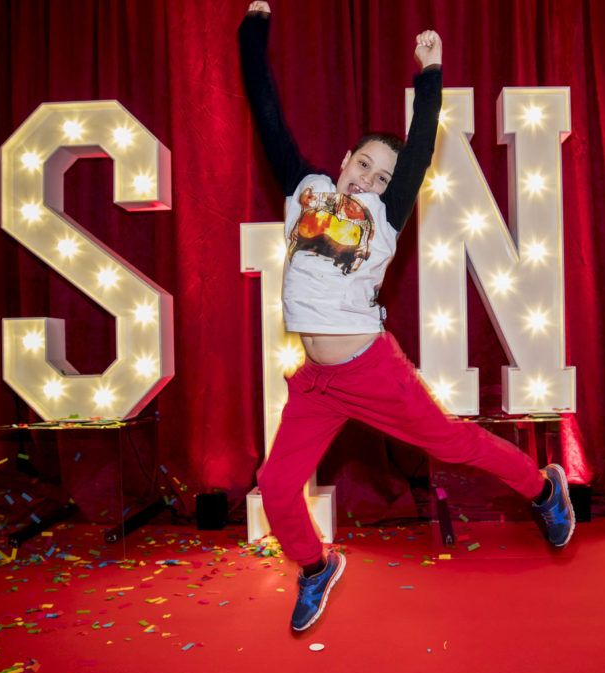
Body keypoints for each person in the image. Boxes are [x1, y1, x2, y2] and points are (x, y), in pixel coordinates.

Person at [238, 1, 575, 632]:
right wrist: (255, 26)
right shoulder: (305, 191)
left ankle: (542, 488)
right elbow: (267, 113)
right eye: (363, 164)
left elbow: (420, 145)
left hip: (370, 368)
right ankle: (316, 567)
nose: (368, 179)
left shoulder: (385, 218)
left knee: (452, 441)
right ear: (343, 161)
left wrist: (430, 71)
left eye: (382, 175)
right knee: (276, 485)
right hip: (316, 381)